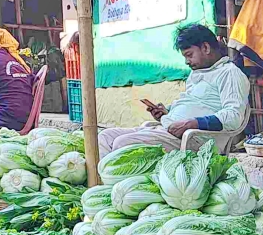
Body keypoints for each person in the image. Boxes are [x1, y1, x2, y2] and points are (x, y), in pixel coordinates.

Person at [97, 23, 250, 157]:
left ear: (206, 47)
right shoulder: (196, 74)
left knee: (122, 144)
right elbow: (195, 104)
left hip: (195, 140)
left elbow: (234, 116)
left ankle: (116, 187)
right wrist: (166, 112)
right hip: (169, 130)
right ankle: (104, 187)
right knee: (105, 137)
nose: (186, 61)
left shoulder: (229, 73)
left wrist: (193, 123)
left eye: (189, 55)